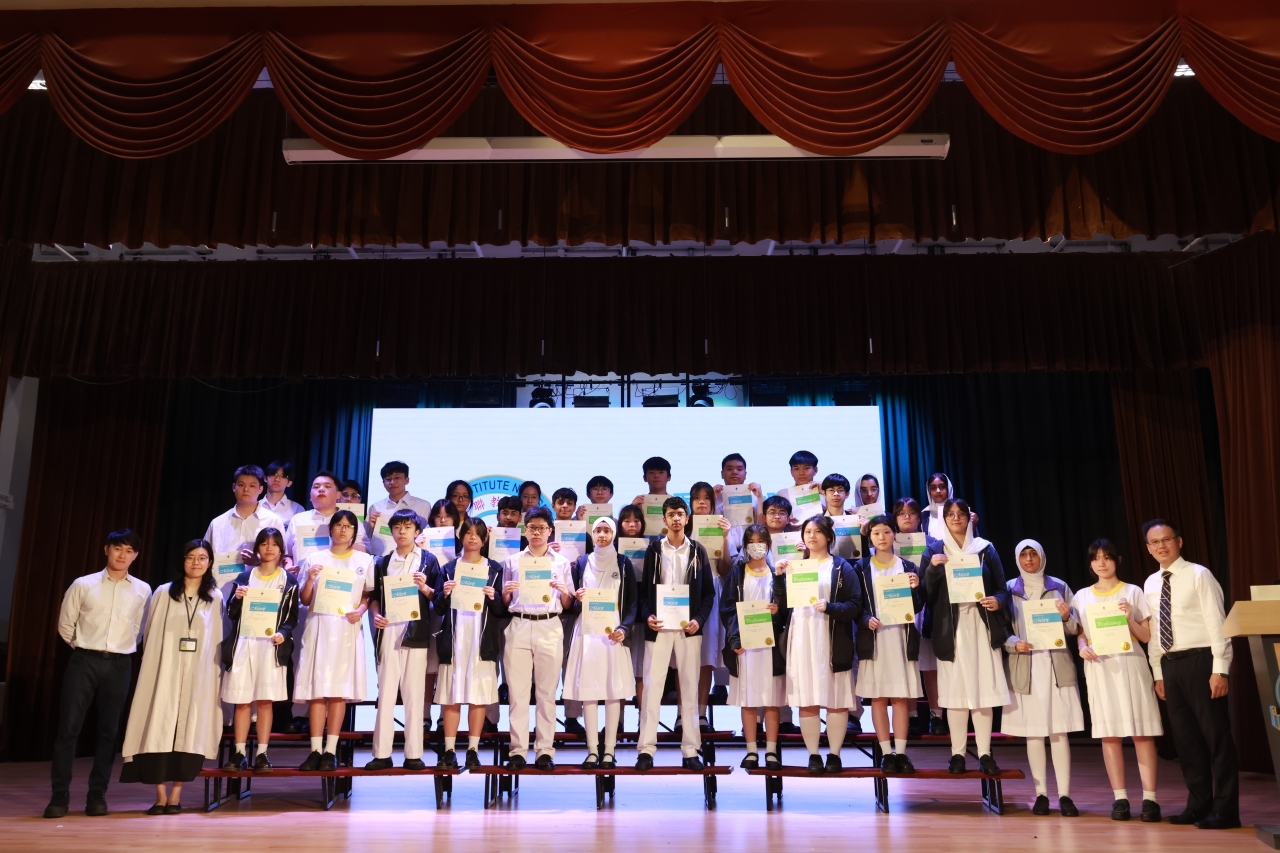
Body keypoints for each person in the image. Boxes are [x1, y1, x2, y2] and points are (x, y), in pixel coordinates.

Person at [46, 530, 152, 819]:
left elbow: (139, 628)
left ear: (135, 555)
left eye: (129, 550)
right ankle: (59, 794)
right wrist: (85, 648)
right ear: (107, 549)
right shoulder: (84, 584)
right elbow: (66, 624)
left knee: (108, 732)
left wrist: (119, 648)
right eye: (118, 548)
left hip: (119, 664)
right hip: (84, 661)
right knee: (68, 729)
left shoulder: (143, 589)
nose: (122, 555)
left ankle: (97, 794)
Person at [1142, 519, 1238, 829]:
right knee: (1186, 741)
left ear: (1179, 541)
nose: (1161, 546)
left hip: (1201, 661)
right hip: (1170, 665)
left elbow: (1218, 624)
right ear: (1148, 548)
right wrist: (1158, 672)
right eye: (1155, 542)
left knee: (1216, 738)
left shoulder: (1199, 575)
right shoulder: (1150, 583)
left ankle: (1226, 811)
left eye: (1166, 539)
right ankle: (1198, 805)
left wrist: (1220, 669)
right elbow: (1155, 632)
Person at [120, 540, 224, 815]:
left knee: (189, 728)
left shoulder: (215, 597)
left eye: (202, 558)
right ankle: (159, 796)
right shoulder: (164, 592)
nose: (196, 563)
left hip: (198, 672)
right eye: (190, 557)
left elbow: (217, 639)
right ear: (182, 560)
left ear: (210, 563)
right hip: (165, 667)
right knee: (159, 723)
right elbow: (151, 632)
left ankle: (176, 796)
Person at [1074, 539, 1162, 823]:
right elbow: (1081, 633)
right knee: (1109, 733)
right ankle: (1120, 798)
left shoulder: (1133, 592)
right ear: (1090, 563)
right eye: (1096, 558)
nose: (1102, 563)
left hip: (1130, 665)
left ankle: (1150, 799)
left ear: (1117, 560)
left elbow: (1146, 637)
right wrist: (1082, 646)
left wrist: (1129, 619)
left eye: (1107, 557)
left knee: (1141, 732)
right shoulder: (1081, 596)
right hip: (1099, 667)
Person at [922, 499, 1010, 775]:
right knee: (956, 694)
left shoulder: (985, 548)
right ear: (944, 519)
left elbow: (1002, 589)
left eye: (961, 514)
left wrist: (997, 600)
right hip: (951, 630)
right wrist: (932, 569)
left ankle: (985, 753)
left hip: (981, 627)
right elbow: (925, 595)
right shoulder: (935, 550)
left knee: (983, 692)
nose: (956, 518)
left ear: (970, 517)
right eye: (950, 514)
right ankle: (957, 754)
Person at [1001, 539, 1084, 816]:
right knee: (1034, 732)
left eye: (1033, 554)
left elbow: (1075, 628)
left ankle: (1065, 796)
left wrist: (1067, 616)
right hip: (1026, 668)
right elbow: (1000, 630)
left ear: (1042, 557)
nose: (1028, 559)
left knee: (1059, 731)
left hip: (1055, 666)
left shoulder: (1059, 586)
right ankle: (1041, 795)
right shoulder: (1009, 589)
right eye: (1023, 555)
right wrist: (1014, 643)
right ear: (1017, 559)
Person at [774, 515, 861, 774]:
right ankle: (813, 755)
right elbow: (781, 607)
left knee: (837, 699)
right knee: (807, 698)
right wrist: (779, 578)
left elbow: (855, 605)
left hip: (832, 638)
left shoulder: (841, 567)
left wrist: (830, 607)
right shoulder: (795, 567)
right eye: (807, 532)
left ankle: (834, 755)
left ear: (828, 536)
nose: (812, 536)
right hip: (802, 636)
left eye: (817, 531)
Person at [636, 496, 715, 771]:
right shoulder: (654, 549)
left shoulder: (698, 550)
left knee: (690, 689)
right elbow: (644, 593)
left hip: (687, 629)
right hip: (659, 628)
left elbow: (709, 594)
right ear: (664, 519)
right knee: (652, 689)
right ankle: (646, 750)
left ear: (687, 517)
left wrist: (698, 620)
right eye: (671, 514)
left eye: (680, 514)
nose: (676, 519)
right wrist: (648, 616)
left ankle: (691, 750)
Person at [294, 508, 374, 771]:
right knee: (317, 691)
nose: (343, 529)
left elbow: (368, 594)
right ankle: (315, 750)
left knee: (339, 691)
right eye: (339, 525)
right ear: (330, 529)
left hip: (346, 629)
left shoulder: (364, 560)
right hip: (319, 627)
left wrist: (360, 611)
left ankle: (330, 751)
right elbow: (305, 599)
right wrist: (310, 579)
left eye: (348, 526)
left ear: (354, 532)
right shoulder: (315, 559)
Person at [500, 506, 574, 770]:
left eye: (542, 528)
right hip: (519, 624)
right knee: (518, 694)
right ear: (525, 530)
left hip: (550, 625)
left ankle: (544, 751)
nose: (536, 532)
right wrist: (506, 593)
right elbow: (505, 602)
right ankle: (517, 751)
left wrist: (564, 592)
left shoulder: (561, 563)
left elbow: (568, 604)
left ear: (550, 531)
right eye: (532, 528)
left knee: (546, 694)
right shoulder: (512, 561)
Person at [221, 527, 299, 772]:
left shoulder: (288, 581)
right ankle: (239, 753)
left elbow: (291, 619)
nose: (269, 548)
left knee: (265, 702)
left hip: (270, 647)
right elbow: (231, 613)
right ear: (257, 549)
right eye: (264, 544)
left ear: (281, 550)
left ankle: (262, 754)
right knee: (242, 701)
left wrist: (282, 633)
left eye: (274, 544)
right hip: (244, 644)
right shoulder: (245, 578)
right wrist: (237, 598)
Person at [365, 508, 438, 771]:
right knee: (386, 692)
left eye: (407, 527)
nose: (402, 532)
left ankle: (413, 754)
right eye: (397, 527)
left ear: (417, 531)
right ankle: (381, 754)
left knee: (414, 693)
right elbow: (375, 597)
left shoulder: (428, 560)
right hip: (389, 630)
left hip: (416, 631)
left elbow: (439, 598)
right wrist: (376, 616)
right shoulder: (383, 562)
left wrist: (424, 587)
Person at [564, 517, 638, 768]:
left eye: (607, 530)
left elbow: (632, 603)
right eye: (598, 530)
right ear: (593, 534)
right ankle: (592, 750)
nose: (602, 535)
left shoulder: (624, 563)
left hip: (613, 633)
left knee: (613, 691)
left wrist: (624, 628)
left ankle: (609, 750)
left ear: (614, 534)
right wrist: (577, 598)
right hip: (587, 633)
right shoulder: (582, 563)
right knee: (589, 691)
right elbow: (572, 606)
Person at [854, 515, 922, 774]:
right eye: (875, 533)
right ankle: (886, 753)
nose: (881, 537)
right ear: (869, 537)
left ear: (894, 534)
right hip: (874, 639)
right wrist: (865, 619)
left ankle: (901, 753)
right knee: (879, 697)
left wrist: (916, 589)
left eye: (886, 532)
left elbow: (917, 607)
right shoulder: (861, 567)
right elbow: (856, 604)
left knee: (900, 698)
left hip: (900, 638)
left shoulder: (907, 566)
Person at [435, 518, 504, 768]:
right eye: (468, 533)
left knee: (478, 696)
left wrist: (495, 597)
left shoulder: (494, 569)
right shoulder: (449, 568)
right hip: (454, 640)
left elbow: (501, 611)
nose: (472, 537)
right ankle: (449, 750)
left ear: (485, 539)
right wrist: (444, 593)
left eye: (477, 534)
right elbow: (438, 607)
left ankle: (473, 750)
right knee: (451, 695)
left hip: (481, 640)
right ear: (461, 536)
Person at [720, 524, 785, 771]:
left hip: (770, 646)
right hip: (745, 647)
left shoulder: (776, 573)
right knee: (747, 700)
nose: (756, 546)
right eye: (751, 541)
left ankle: (771, 751)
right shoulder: (737, 574)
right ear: (745, 546)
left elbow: (786, 610)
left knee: (771, 700)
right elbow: (728, 609)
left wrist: (777, 610)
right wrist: (735, 640)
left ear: (768, 544)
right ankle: (751, 750)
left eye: (761, 541)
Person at [894, 497, 947, 735]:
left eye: (912, 513)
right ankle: (912, 716)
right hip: (898, 607)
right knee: (907, 664)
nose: (907, 517)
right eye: (901, 513)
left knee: (930, 665)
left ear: (919, 517)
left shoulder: (933, 543)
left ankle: (937, 716)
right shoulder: (887, 543)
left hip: (927, 607)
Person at [689, 481, 733, 731]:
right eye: (697, 498)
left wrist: (724, 538)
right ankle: (683, 714)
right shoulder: (683, 527)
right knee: (685, 658)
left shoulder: (720, 525)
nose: (702, 502)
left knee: (705, 657)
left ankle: (700, 713)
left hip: (713, 591)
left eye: (707, 498)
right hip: (685, 594)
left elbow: (726, 569)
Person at [204, 464, 285, 596]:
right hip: (220, 593)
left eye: (252, 486)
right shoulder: (217, 523)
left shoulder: (273, 521)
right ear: (233, 487)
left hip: (258, 594)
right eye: (241, 485)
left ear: (261, 489)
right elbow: (205, 557)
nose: (246, 489)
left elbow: (281, 558)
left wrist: (259, 560)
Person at [618, 503, 651, 715]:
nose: (632, 525)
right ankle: (618, 720)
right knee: (620, 670)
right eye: (627, 520)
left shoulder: (651, 548)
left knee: (641, 670)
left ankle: (643, 719)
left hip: (644, 613)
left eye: (636, 521)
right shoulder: (613, 549)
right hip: (620, 615)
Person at [366, 461, 433, 558]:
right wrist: (371, 528)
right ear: (383, 483)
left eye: (397, 478)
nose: (392, 482)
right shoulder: (376, 507)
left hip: (413, 559)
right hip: (381, 559)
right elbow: (365, 539)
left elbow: (428, 536)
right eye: (388, 479)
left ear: (407, 480)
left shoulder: (423, 506)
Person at [631, 457, 673, 537]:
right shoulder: (639, 503)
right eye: (651, 472)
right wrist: (633, 509)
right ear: (645, 478)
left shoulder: (678, 504)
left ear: (669, 477)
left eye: (661, 472)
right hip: (643, 543)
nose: (656, 476)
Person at [261, 461, 306, 531]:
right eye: (274, 474)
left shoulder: (297, 509)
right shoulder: (254, 507)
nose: (277, 479)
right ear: (265, 478)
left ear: (289, 483)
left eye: (283, 476)